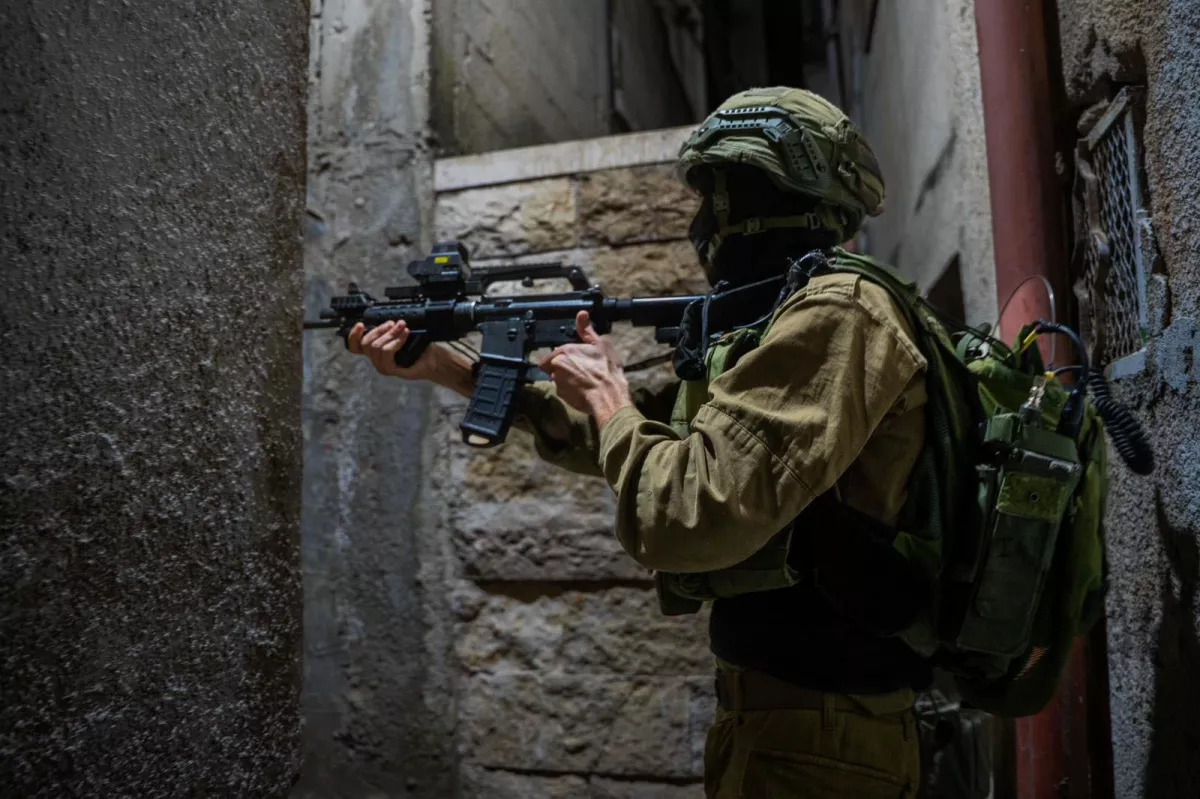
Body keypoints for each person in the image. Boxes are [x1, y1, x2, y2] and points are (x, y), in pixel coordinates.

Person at [350, 87, 930, 798]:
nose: (703, 222)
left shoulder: (839, 312)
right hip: (789, 722)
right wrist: (450, 367)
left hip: (825, 731)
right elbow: (642, 441)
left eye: (716, 196)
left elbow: (685, 513)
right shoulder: (790, 319)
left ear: (761, 197)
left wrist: (608, 394)